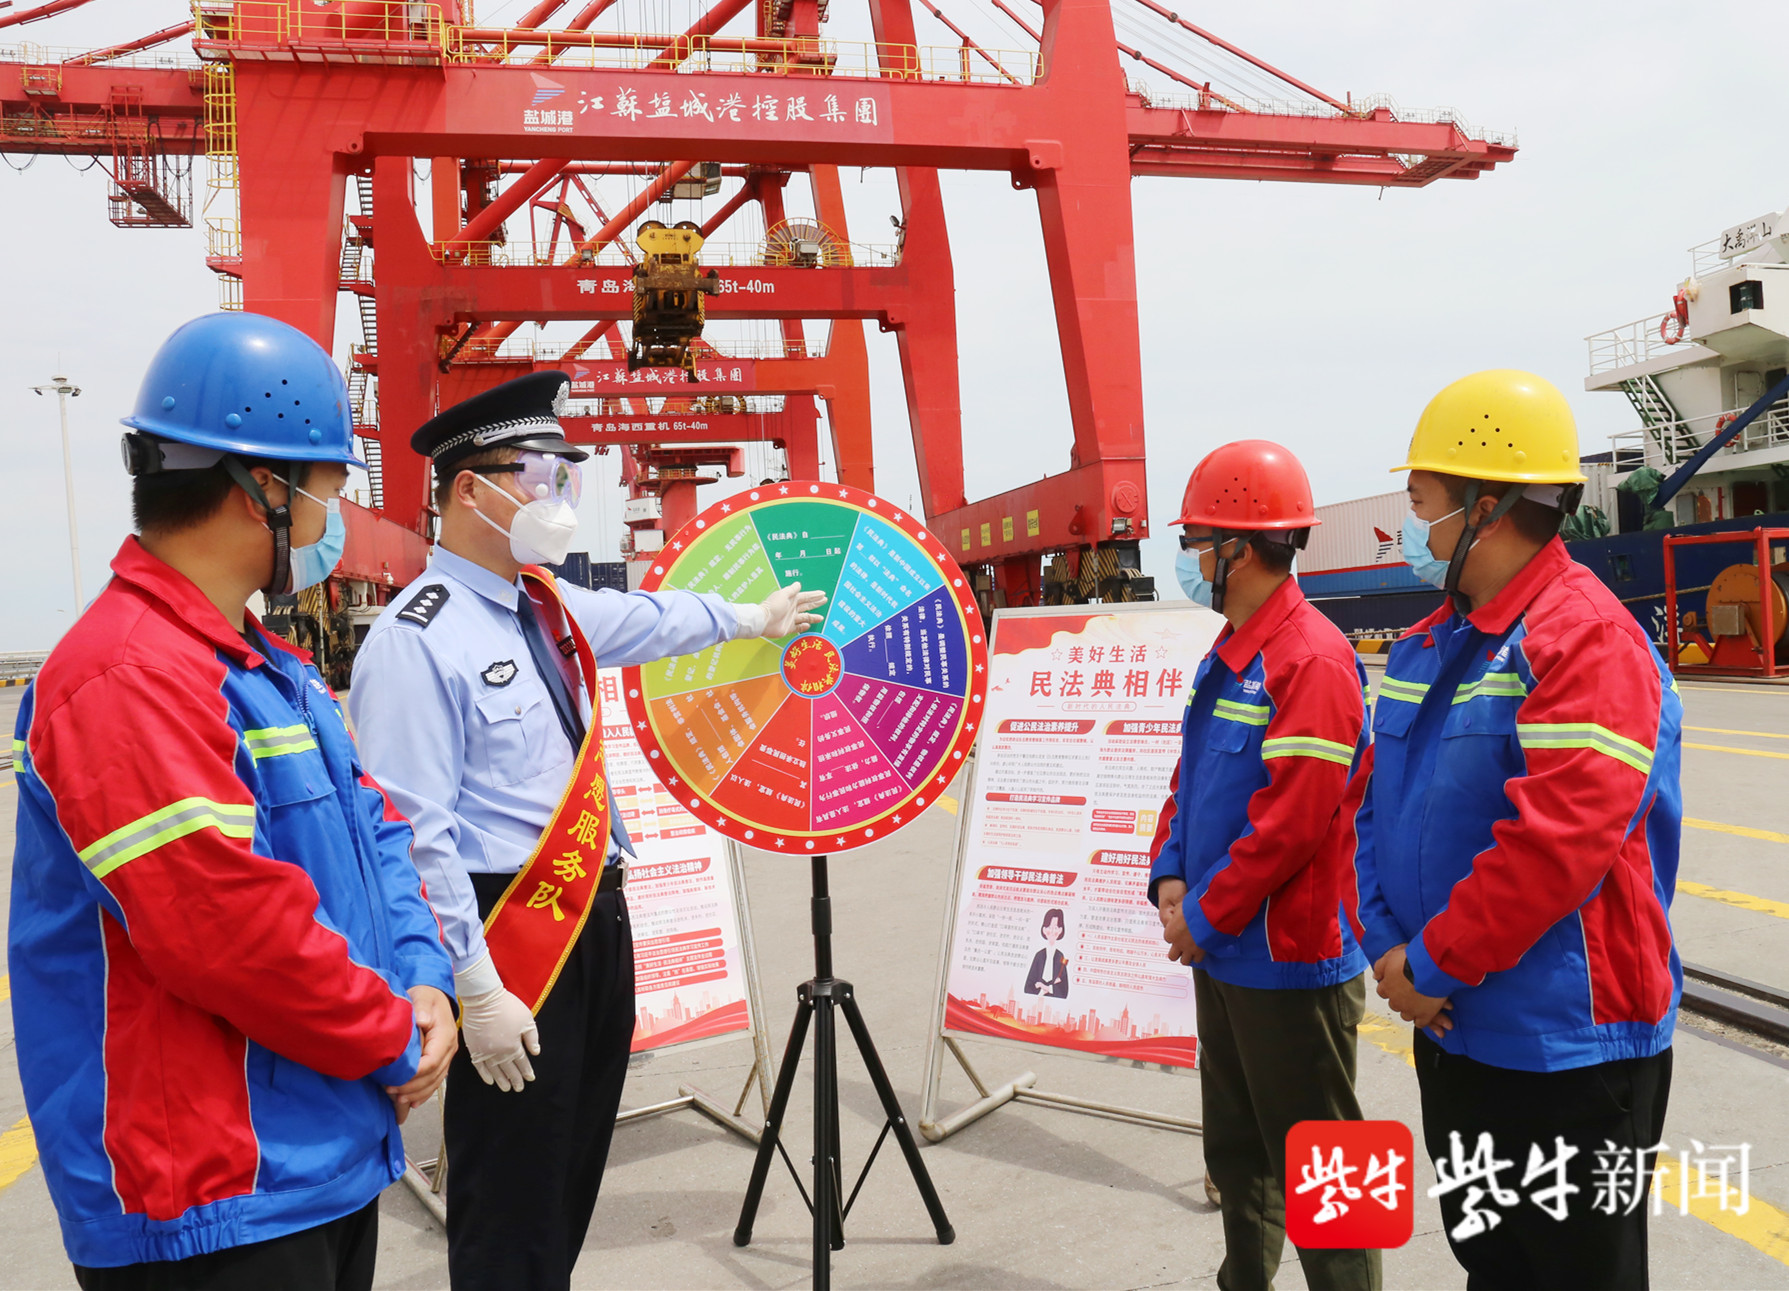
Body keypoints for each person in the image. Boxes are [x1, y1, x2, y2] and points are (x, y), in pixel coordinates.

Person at [348, 371, 826, 1290]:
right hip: (508, 936)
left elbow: (650, 619)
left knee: (568, 1172)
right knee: (511, 1197)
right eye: (538, 476)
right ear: (469, 489)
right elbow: (414, 836)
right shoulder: (417, 637)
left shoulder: (545, 605)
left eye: (564, 476)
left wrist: (751, 619)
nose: (556, 498)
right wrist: (475, 988)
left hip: (592, 920)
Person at [9, 312, 457, 1290]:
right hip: (210, 1196)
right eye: (329, 487)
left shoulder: (272, 667)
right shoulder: (126, 676)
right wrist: (395, 1036)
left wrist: (424, 980)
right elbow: (223, 928)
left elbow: (376, 831)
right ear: (264, 489)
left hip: (320, 1153)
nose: (335, 516)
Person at [1353, 370, 1681, 1289]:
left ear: (1486, 508)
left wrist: (1428, 964)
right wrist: (1387, 949)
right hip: (1450, 1026)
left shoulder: (1585, 640)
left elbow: (1557, 843)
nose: (1416, 529)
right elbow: (1368, 809)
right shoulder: (1426, 644)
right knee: (1490, 1262)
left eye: (1423, 504)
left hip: (1564, 1048)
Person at [1148, 440, 1380, 1291]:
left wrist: (1202, 916)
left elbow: (1292, 821)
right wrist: (1170, 875)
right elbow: (1190, 779)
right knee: (1238, 1148)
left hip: (1288, 960)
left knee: (1330, 1170)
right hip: (1222, 950)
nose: (1185, 559)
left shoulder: (1309, 658)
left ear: (1236, 550)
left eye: (1193, 542)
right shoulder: (1232, 649)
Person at [1025, 906, 1071, 998]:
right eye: (1049, 927)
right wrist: (1040, 990)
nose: (1052, 931)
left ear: (1060, 930)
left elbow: (1064, 991)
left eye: (1056, 927)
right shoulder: (1039, 955)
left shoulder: (1060, 956)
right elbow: (1028, 987)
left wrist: (1046, 987)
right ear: (1044, 929)